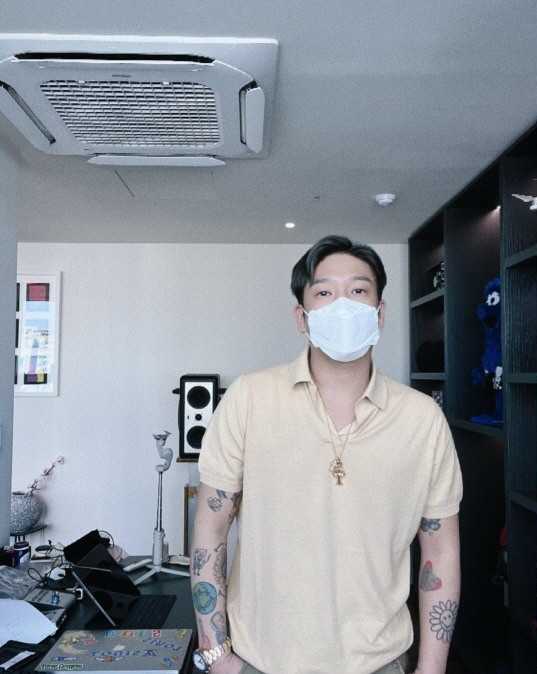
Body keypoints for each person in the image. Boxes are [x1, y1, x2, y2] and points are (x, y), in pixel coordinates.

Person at [190, 235, 463, 674]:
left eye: (358, 290)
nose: (343, 306)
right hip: (260, 661)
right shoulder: (249, 399)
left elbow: (441, 549)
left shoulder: (422, 419)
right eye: (324, 293)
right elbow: (210, 529)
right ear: (301, 317)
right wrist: (216, 654)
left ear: (381, 312)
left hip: (380, 661)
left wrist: (431, 669)